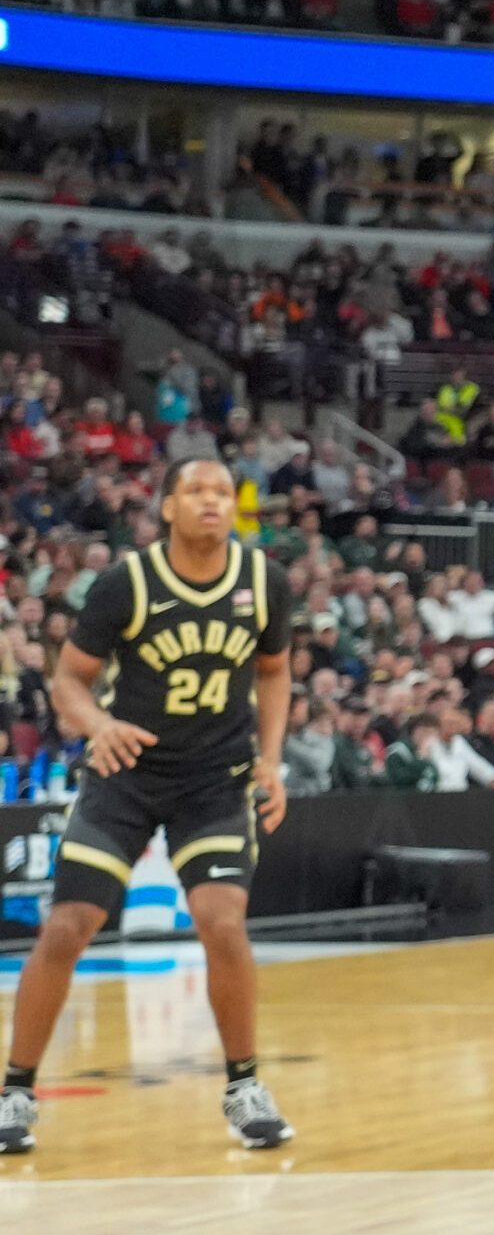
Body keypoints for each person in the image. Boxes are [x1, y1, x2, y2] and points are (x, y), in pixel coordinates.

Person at [1, 458, 294, 1156]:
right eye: (195, 491)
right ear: (166, 507)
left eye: (222, 492)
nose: (211, 502)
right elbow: (69, 679)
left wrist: (272, 758)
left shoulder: (263, 583)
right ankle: (15, 1089)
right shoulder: (127, 583)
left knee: (221, 919)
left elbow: (275, 671)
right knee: (70, 925)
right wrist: (98, 727)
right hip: (126, 772)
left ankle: (245, 1086)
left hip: (214, 779)